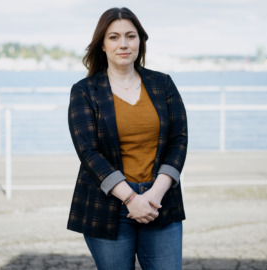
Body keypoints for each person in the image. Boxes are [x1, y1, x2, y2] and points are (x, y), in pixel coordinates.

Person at [67, 7, 188, 270]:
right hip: (108, 205)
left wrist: (153, 195)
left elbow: (179, 140)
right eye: (114, 37)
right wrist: (132, 199)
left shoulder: (162, 84)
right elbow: (88, 152)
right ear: (102, 44)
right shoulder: (85, 91)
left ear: (140, 41)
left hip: (160, 202)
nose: (123, 44)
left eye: (130, 36)